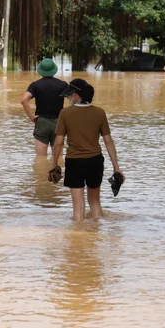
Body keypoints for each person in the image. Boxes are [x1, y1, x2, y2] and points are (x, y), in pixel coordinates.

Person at [49, 79, 125, 221]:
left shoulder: (65, 113)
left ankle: (79, 238)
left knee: (78, 207)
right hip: (95, 161)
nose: (69, 98)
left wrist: (54, 164)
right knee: (95, 203)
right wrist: (116, 167)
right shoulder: (99, 113)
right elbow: (108, 141)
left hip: (74, 161)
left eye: (70, 95)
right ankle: (95, 235)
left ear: (77, 95)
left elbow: (59, 142)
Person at [21, 58, 69, 156]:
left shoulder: (35, 85)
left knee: (40, 158)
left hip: (41, 122)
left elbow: (24, 100)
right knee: (58, 158)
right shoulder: (62, 85)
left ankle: (41, 171)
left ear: (40, 71)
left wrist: (31, 117)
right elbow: (74, 100)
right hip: (58, 122)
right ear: (54, 70)